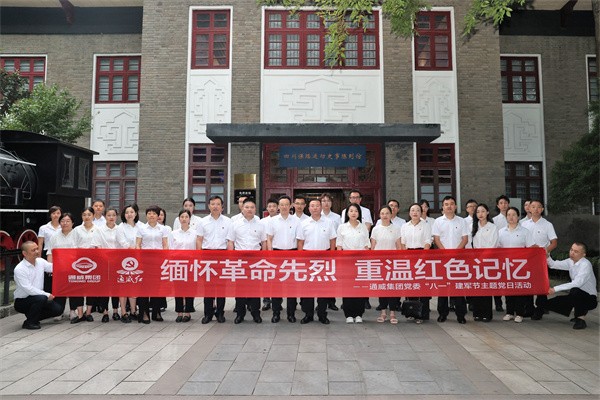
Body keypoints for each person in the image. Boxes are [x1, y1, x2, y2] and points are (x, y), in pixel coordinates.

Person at [297, 198, 336, 324]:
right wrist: (301, 260)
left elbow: (332, 241)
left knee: (323, 288)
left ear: (321, 207)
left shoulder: (329, 222)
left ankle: (322, 314)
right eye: (312, 206)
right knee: (307, 288)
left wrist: (331, 257)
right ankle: (308, 314)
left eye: (317, 206)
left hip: (324, 257)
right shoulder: (303, 223)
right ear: (308, 208)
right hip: (307, 258)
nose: (315, 208)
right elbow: (300, 242)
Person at [227, 198, 267, 324]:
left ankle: (256, 313)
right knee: (240, 288)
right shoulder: (235, 224)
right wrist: (231, 259)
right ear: (242, 209)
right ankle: (240, 314)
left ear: (255, 209)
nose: (249, 209)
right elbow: (230, 242)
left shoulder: (260, 224)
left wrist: (264, 258)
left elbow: (264, 242)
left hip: (255, 260)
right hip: (240, 260)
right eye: (247, 207)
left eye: (252, 207)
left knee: (255, 288)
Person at [432, 195, 469, 324]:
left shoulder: (462, 221)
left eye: (452, 204)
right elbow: (436, 239)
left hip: (458, 259)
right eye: (446, 204)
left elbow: (465, 239)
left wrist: (456, 253)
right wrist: (445, 253)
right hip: (443, 258)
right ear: (443, 207)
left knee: (458, 287)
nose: (449, 206)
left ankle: (461, 314)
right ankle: (442, 313)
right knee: (443, 287)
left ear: (456, 206)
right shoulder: (438, 221)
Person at [546, 242, 598, 330]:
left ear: (584, 255)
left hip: (590, 299)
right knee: (551, 302)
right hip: (577, 295)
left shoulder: (585, 265)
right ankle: (543, 307)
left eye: (576, 251)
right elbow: (553, 265)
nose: (572, 253)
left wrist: (554, 289)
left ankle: (581, 320)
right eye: (571, 250)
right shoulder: (570, 261)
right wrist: (547, 256)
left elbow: (577, 283)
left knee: (575, 291)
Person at [266, 195, 301, 323]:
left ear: (290, 206)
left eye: (286, 204)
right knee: (276, 286)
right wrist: (270, 255)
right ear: (278, 207)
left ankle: (291, 314)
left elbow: (299, 240)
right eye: (282, 205)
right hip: (277, 254)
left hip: (292, 254)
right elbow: (269, 239)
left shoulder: (297, 221)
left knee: (292, 286)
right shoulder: (272, 221)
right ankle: (276, 313)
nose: (284, 207)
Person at [197, 195, 231, 324]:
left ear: (222, 207)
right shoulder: (203, 221)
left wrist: (229, 258)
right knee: (208, 287)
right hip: (207, 255)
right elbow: (199, 240)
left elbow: (230, 241)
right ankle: (208, 314)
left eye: (218, 204)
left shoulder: (228, 222)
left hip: (222, 255)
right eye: (213, 204)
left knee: (222, 286)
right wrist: (199, 257)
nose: (215, 206)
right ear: (209, 206)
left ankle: (220, 313)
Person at [521, 200, 558, 319]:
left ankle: (540, 309)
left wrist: (545, 251)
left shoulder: (547, 225)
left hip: (542, 260)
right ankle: (528, 308)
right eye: (533, 207)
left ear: (542, 209)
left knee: (541, 285)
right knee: (528, 283)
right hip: (527, 260)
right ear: (529, 209)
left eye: (538, 207)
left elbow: (554, 242)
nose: (536, 209)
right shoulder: (524, 224)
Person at [14, 241, 63, 329]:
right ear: (24, 253)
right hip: (22, 301)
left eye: (37, 249)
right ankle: (30, 323)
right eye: (33, 250)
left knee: (58, 310)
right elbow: (28, 289)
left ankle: (31, 317)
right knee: (41, 298)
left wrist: (68, 263)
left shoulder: (40, 261)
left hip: (39, 297)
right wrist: (46, 294)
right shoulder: (20, 269)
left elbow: (53, 268)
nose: (37, 251)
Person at [498, 207, 535, 323]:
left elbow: (531, 248)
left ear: (518, 217)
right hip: (506, 265)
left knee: (519, 289)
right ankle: (509, 312)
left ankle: (519, 313)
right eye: (509, 215)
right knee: (508, 289)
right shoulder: (501, 232)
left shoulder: (525, 232)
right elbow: (497, 248)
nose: (511, 217)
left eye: (514, 215)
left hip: (520, 266)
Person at [337, 203, 370, 323]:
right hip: (347, 262)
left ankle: (359, 314)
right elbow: (339, 245)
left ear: (359, 213)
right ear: (347, 213)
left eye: (356, 211)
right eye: (351, 211)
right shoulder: (342, 227)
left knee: (360, 287)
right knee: (347, 288)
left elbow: (367, 245)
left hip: (360, 262)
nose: (353, 213)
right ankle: (349, 314)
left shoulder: (363, 227)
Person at [400, 203, 432, 324]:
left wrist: (423, 256)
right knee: (411, 285)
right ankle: (411, 313)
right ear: (409, 213)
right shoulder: (405, 226)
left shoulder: (426, 225)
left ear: (421, 212)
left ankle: (422, 315)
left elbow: (428, 241)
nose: (415, 212)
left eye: (417, 210)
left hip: (422, 255)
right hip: (408, 255)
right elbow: (403, 242)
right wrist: (406, 257)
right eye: (412, 210)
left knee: (423, 286)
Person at [136, 205, 169, 324]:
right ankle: (144, 313)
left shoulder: (163, 229)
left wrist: (164, 259)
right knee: (144, 288)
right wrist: (139, 259)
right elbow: (138, 245)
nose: (151, 215)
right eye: (149, 213)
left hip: (158, 261)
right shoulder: (141, 228)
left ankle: (156, 312)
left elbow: (165, 244)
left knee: (157, 287)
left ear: (158, 216)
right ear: (146, 215)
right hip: (145, 261)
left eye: (154, 213)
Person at [372, 205, 402, 323]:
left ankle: (393, 313)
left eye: (387, 213)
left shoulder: (396, 228)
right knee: (382, 288)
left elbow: (399, 246)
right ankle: (383, 312)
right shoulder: (376, 229)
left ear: (391, 215)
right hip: (379, 262)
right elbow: (373, 247)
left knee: (392, 288)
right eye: (382, 213)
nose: (385, 215)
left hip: (392, 262)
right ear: (379, 215)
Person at [90, 207, 120, 323]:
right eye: (109, 215)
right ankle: (105, 312)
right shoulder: (99, 230)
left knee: (116, 288)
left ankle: (116, 311)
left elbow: (122, 245)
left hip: (117, 262)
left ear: (116, 216)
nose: (111, 217)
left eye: (113, 215)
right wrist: (106, 257)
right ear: (105, 216)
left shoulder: (120, 229)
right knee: (105, 288)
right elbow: (96, 245)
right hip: (103, 262)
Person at [470, 204, 499, 322]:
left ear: (487, 212)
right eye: (478, 212)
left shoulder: (493, 227)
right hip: (475, 261)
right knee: (477, 287)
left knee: (486, 287)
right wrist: (475, 258)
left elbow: (494, 244)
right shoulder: (473, 226)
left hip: (488, 261)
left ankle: (487, 314)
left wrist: (483, 257)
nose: (480, 214)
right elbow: (470, 244)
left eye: (482, 211)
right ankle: (477, 313)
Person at [47, 213, 76, 321]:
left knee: (73, 289)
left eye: (68, 221)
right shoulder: (54, 236)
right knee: (59, 289)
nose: (65, 223)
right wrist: (50, 268)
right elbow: (50, 252)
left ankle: (73, 310)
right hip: (59, 267)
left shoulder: (77, 235)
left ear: (72, 223)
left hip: (74, 267)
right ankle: (59, 311)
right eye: (63, 221)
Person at [116, 203, 142, 323]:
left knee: (134, 285)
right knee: (123, 286)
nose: (129, 214)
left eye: (131, 212)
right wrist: (135, 248)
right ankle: (123, 312)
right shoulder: (120, 227)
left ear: (135, 213)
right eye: (127, 212)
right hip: (123, 260)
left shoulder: (140, 226)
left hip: (137, 260)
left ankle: (133, 310)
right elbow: (123, 243)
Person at [169, 209, 197, 322]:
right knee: (178, 288)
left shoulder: (195, 233)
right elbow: (171, 249)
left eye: (186, 217)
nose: (184, 219)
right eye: (182, 217)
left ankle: (188, 312)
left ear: (189, 219)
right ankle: (179, 312)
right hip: (177, 264)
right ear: (179, 219)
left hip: (190, 264)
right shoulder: (173, 233)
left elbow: (196, 249)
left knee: (190, 288)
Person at [72, 207, 97, 322]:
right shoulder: (77, 230)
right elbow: (73, 245)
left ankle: (88, 312)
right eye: (84, 215)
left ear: (93, 216)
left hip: (93, 262)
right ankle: (80, 314)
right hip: (79, 262)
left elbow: (99, 244)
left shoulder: (98, 229)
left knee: (91, 286)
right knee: (79, 287)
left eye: (89, 214)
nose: (87, 217)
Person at [320, 192, 341, 311]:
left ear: (331, 203)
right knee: (320, 276)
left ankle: (331, 302)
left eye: (328, 201)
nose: (326, 203)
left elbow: (340, 233)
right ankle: (320, 302)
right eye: (323, 201)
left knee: (331, 276)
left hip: (332, 249)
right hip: (321, 249)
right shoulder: (317, 216)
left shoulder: (337, 217)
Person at [491, 195, 510, 312]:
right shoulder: (494, 220)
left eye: (505, 203)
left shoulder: (513, 217)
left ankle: (510, 303)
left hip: (510, 253)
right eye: (501, 203)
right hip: (498, 253)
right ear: (498, 206)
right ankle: (498, 303)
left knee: (508, 279)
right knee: (497, 279)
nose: (504, 205)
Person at [260, 198, 278, 312]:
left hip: (276, 253)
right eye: (270, 206)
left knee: (277, 279)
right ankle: (266, 301)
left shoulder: (280, 220)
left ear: (277, 208)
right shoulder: (262, 221)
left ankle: (277, 302)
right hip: (265, 253)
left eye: (274, 206)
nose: (272, 208)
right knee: (266, 278)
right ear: (267, 208)